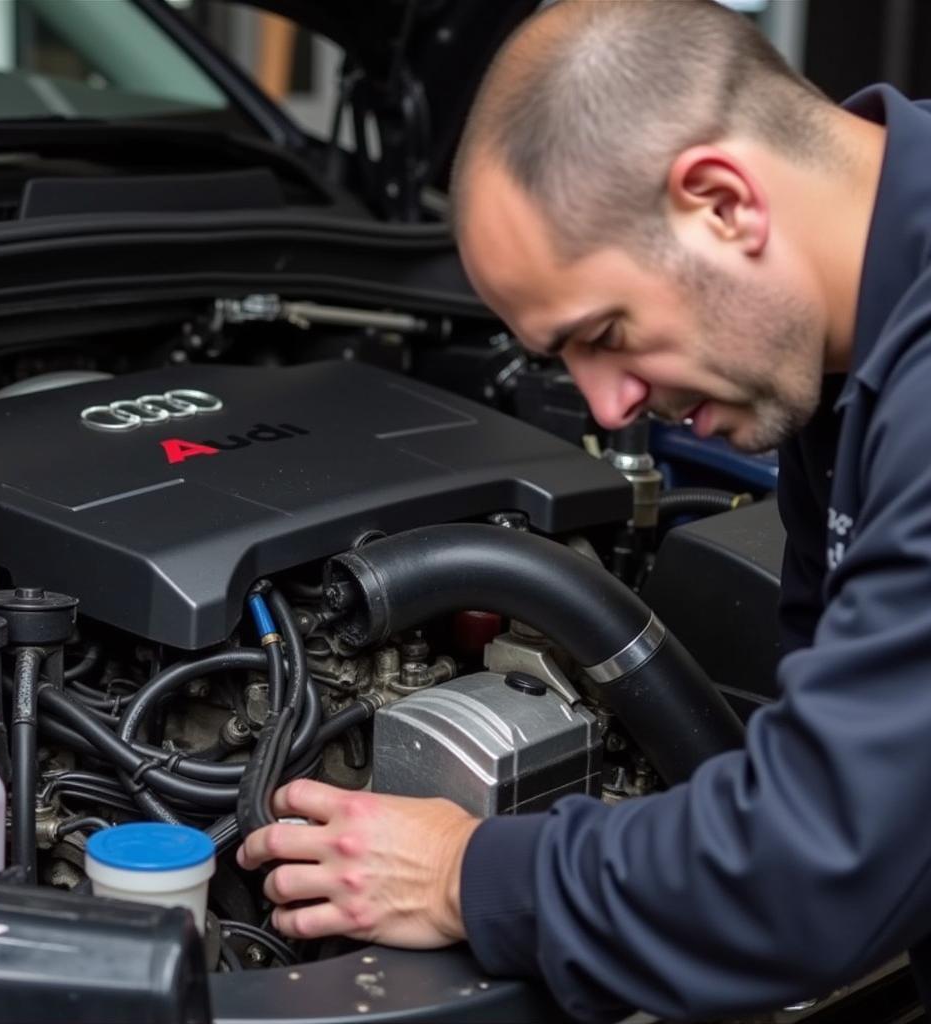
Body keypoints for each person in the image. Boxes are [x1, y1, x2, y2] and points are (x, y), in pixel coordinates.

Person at [238, 1, 931, 1019]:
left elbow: (809, 872)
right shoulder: (843, 350)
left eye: (606, 329)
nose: (607, 405)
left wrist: (463, 874)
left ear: (720, 202)